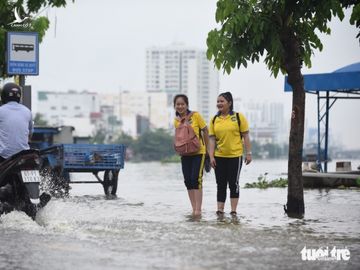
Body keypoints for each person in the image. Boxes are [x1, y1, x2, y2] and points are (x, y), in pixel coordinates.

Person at [208, 92, 252, 217]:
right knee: (220, 184)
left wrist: (248, 153)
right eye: (218, 101)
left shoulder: (238, 117)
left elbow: (246, 136)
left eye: (222, 101)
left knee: (234, 183)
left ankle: (233, 211)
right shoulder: (214, 119)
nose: (219, 104)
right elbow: (211, 139)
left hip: (235, 156)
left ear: (230, 103)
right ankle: (220, 210)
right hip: (219, 156)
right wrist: (211, 156)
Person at [173, 94, 209, 216]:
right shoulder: (176, 120)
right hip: (185, 154)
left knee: (196, 179)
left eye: (182, 104)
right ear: (175, 106)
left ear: (187, 104)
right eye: (177, 104)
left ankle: (198, 210)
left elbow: (205, 130)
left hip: (199, 152)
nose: (180, 106)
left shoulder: (196, 115)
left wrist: (209, 150)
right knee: (188, 180)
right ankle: (193, 208)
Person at [0, 82, 33, 163]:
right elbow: (30, 134)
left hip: (4, 156)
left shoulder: (1, 110)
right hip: (24, 155)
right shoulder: (28, 111)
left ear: (3, 95)